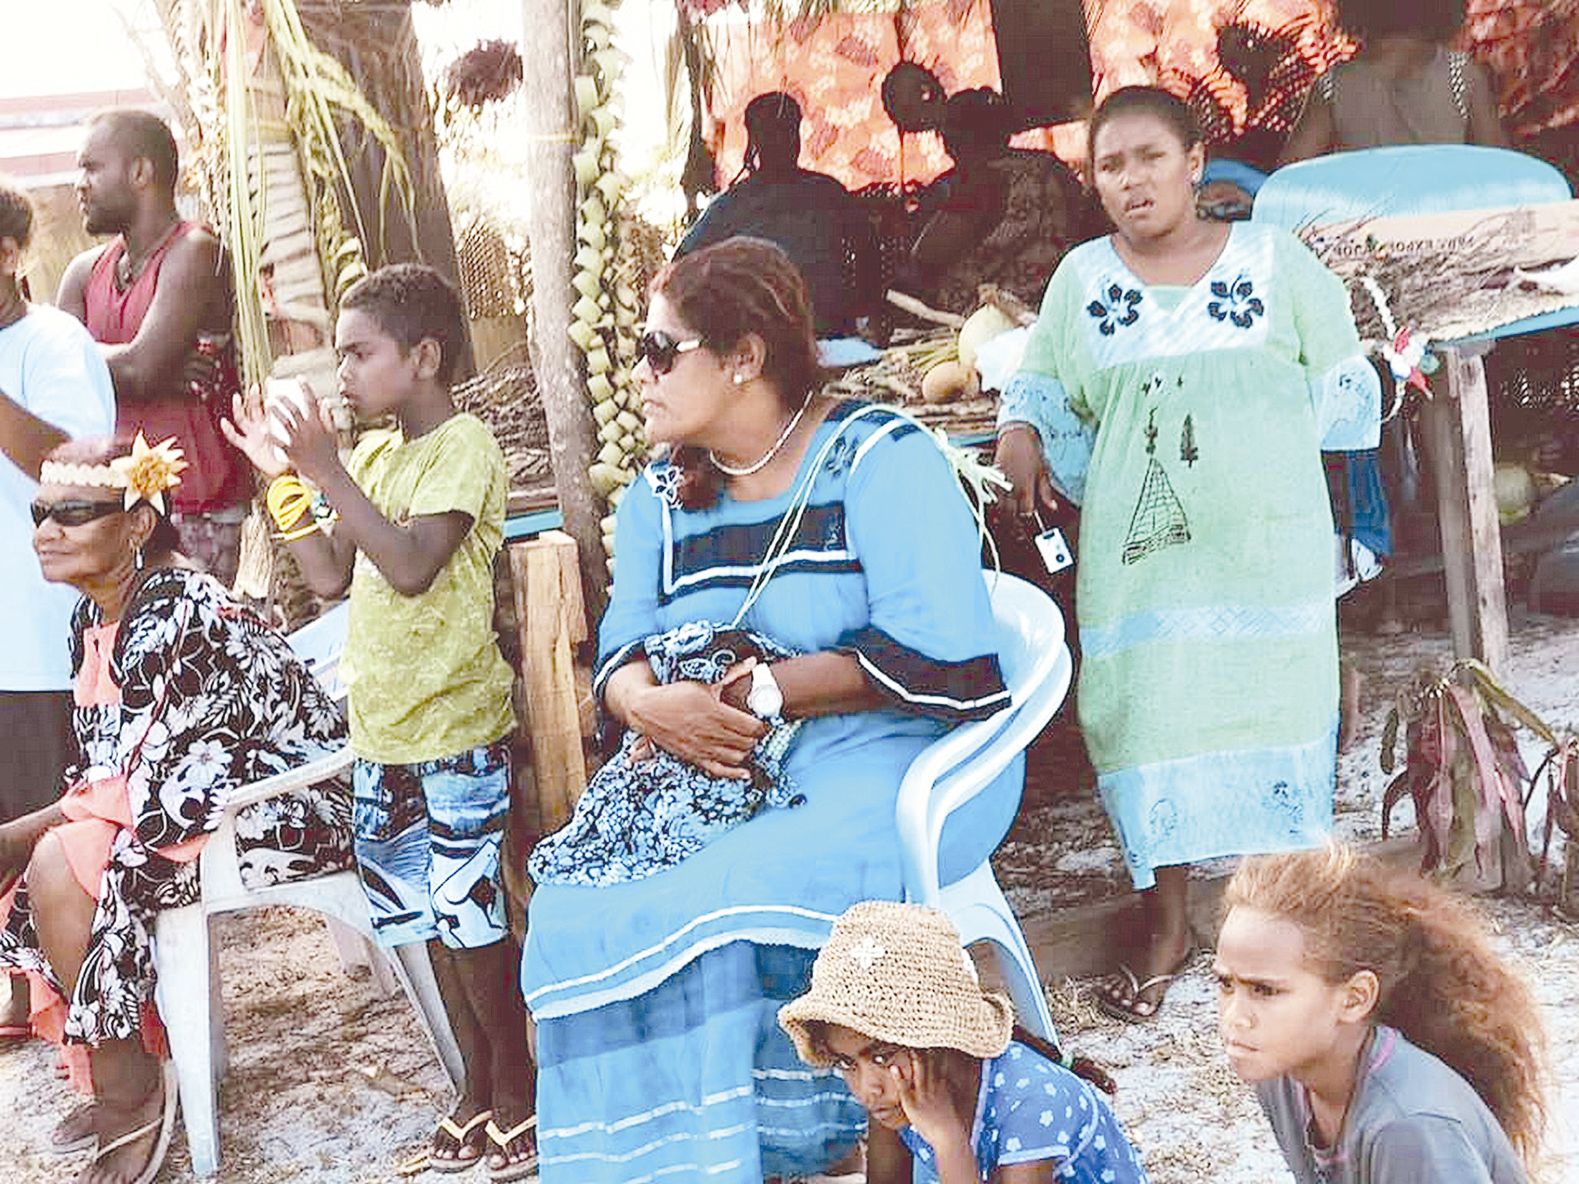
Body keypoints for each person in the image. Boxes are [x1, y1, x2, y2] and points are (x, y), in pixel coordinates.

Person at [521, 237, 1018, 1183]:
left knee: (724, 895)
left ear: (743, 356)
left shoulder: (880, 458)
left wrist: (760, 691)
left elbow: (941, 652)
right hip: (698, 770)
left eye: (662, 350)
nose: (642, 373)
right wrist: (646, 705)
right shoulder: (658, 500)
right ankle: (668, 1158)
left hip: (891, 755)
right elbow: (621, 649)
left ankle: (777, 1142)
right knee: (574, 907)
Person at [994, 87, 1380, 1022]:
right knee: (1144, 720)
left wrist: (1251, 449)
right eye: (1109, 166)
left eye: (1150, 157)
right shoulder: (1082, 281)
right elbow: (1041, 390)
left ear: (1196, 160)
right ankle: (1166, 924)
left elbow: (1342, 387)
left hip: (1264, 551)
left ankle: (1281, 940)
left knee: (1275, 714)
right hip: (1143, 558)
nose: (1131, 180)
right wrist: (1018, 432)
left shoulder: (1275, 263)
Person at [220, 263, 537, 1181]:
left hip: (456, 731)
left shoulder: (464, 447)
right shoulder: (372, 458)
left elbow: (409, 566)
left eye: (359, 353)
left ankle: (519, 1089)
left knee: (473, 918)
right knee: (422, 920)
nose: (343, 374)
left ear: (424, 356)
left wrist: (326, 469)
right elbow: (327, 575)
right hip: (383, 735)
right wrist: (284, 484)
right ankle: (475, 1086)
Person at [0, 433, 352, 1184]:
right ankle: (123, 1063)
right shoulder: (96, 615)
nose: (44, 533)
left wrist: (24, 833)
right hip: (197, 804)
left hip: (292, 809)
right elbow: (116, 768)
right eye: (39, 513)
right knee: (53, 853)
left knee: (58, 862)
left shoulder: (177, 611)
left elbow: (157, 791)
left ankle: (131, 1087)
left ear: (136, 524)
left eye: (73, 514)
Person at [1216, 845, 1545, 1183]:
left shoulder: (1410, 1127)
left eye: (1265, 991)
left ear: (1355, 998)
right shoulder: (1282, 1074)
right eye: (1225, 984)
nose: (1235, 1018)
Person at [778, 901, 1150, 1184]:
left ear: (938, 1037)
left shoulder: (1032, 1103)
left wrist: (947, 1140)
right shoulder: (897, 1092)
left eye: (881, 1056)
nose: (866, 1088)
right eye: (847, 1064)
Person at [0, 180, 116, 1045]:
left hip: (36, 638)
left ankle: (92, 1031)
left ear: (9, 255)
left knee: (46, 836)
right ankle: (20, 998)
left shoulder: (55, 344)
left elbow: (76, 471)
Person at [57, 109, 250, 587]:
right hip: (111, 508)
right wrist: (137, 360)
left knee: (185, 651)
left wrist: (109, 360)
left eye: (91, 168)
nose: (78, 184)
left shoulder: (195, 251)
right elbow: (54, 373)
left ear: (141, 172)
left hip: (196, 508)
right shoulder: (84, 272)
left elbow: (141, 370)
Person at [677, 92, 874, 339]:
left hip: (832, 331)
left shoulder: (827, 192)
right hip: (766, 341)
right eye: (773, 134)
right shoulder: (732, 204)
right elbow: (682, 262)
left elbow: (868, 245)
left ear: (798, 135)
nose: (783, 141)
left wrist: (866, 308)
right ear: (755, 142)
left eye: (788, 132)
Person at [907, 88, 1087, 316]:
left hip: (998, 316)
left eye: (946, 135)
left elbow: (927, 255)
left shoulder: (975, 180)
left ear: (956, 140)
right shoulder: (1050, 165)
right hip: (1063, 300)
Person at [1280, 0, 1507, 162]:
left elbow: (1287, 183)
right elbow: (1504, 172)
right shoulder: (1462, 75)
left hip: (1365, 228)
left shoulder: (1332, 86)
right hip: (1445, 228)